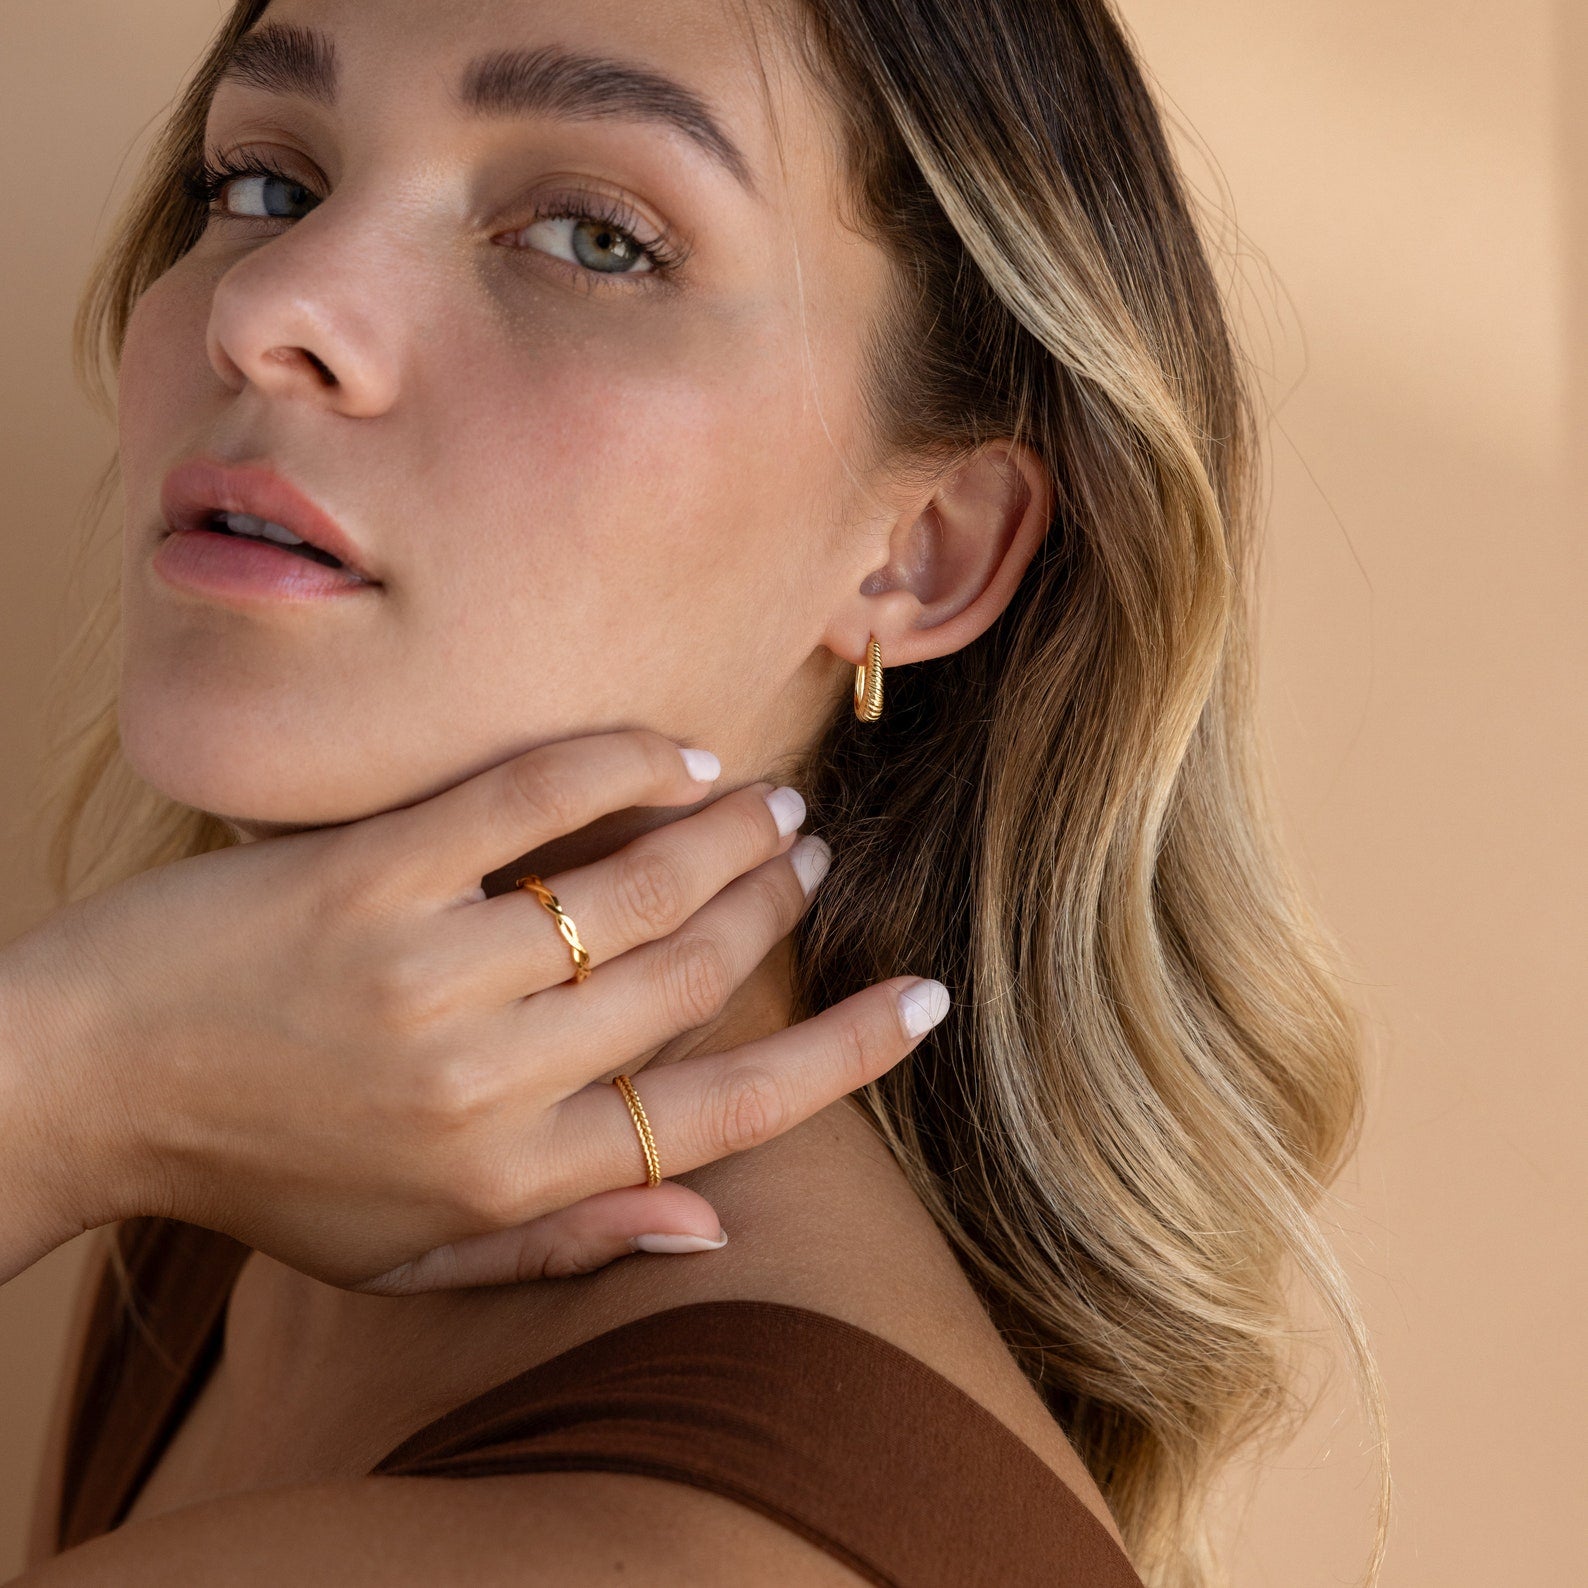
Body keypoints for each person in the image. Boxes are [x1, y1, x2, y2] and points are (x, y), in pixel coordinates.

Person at [0, 0, 1386, 1583]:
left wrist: (59, 1084)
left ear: (920, 554)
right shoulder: (236, 1117)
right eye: (263, 180)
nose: (272, 303)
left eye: (595, 237)